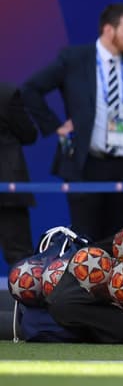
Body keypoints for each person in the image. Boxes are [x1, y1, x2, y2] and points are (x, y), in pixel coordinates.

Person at [23, 3, 123, 242]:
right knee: (85, 241)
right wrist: (55, 126)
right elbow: (31, 89)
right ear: (108, 29)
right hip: (86, 165)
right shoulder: (75, 59)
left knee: (117, 241)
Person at [0, 80, 38, 263]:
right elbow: (28, 134)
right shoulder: (6, 93)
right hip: (7, 186)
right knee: (20, 258)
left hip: (7, 189)